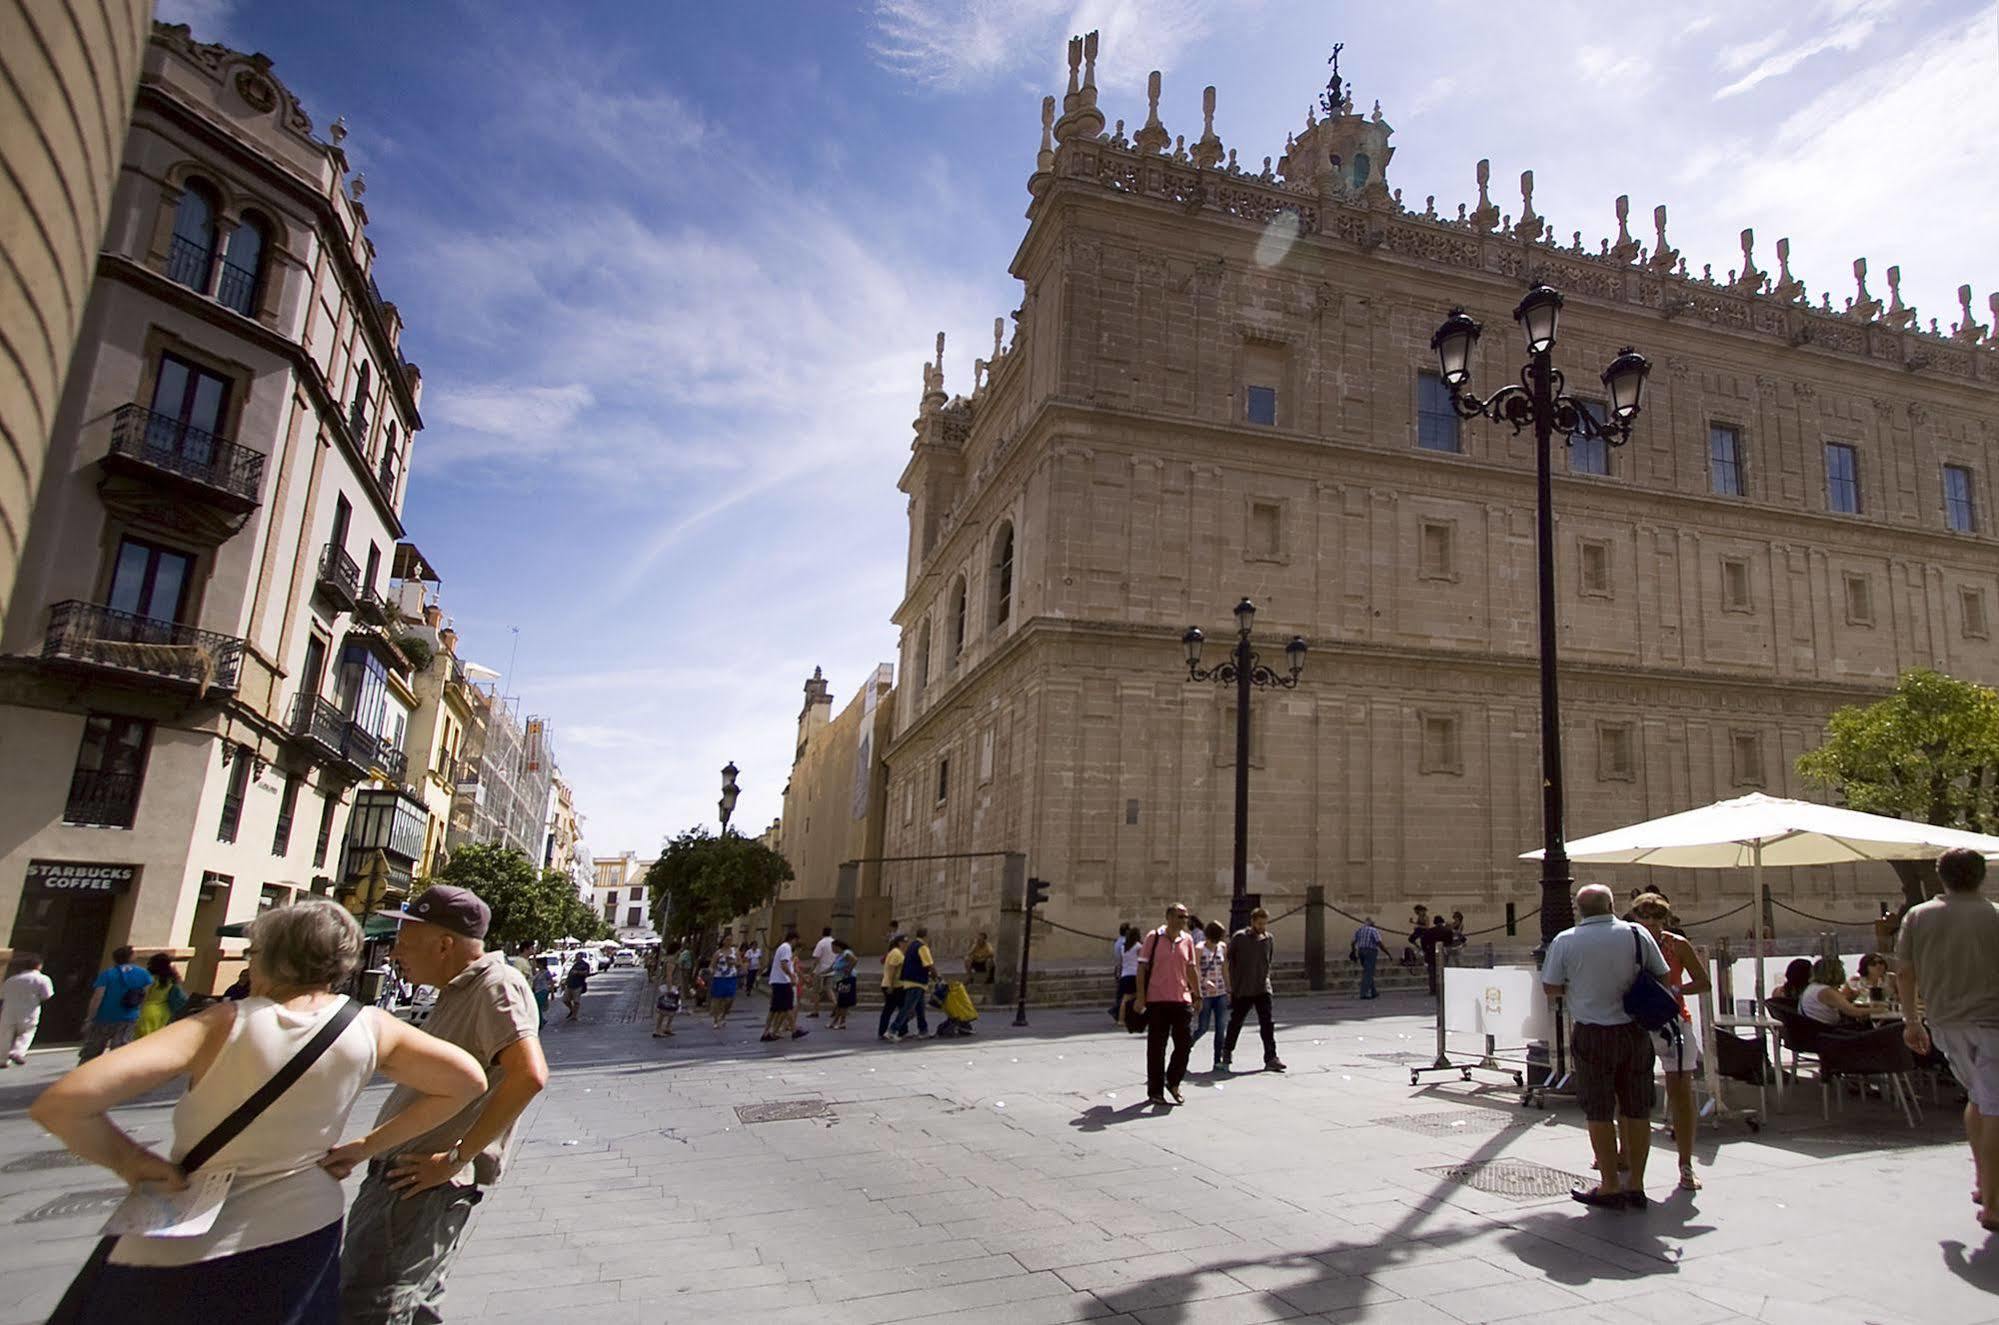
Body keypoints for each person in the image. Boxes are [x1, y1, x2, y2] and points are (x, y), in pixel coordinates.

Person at [30, 899, 484, 1325]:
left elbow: (64, 1102)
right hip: (303, 1228)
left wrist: (131, 1161)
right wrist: (366, 1147)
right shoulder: (370, 1027)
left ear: (266, 956)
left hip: (179, 1236)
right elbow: (467, 1082)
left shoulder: (223, 1023)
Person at [337, 884, 549, 1324]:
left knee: (374, 1306)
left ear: (445, 944)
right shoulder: (461, 989)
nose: (396, 953)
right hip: (411, 1181)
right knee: (409, 1305)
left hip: (420, 1187)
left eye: (405, 941)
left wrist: (455, 1158)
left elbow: (529, 1075)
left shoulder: (497, 987)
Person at [1541, 883, 1669, 1210]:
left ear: (1579, 909)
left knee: (1598, 1109)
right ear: (1612, 904)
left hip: (1593, 1033)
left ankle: (1610, 1184)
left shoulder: (1566, 940)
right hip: (1634, 1031)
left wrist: (1581, 986)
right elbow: (1663, 977)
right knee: (1637, 1107)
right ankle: (1636, 1185)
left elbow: (1551, 987)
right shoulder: (1638, 934)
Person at [1899, 847, 1999, 1233]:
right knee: (1994, 1108)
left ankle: (1981, 1182)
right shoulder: (1994, 915)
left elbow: (1905, 973)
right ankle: (1994, 1203)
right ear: (1981, 876)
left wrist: (1912, 1021)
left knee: (1980, 1098)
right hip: (1992, 1021)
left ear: (1942, 877)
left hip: (1945, 1023)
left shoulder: (1919, 916)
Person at [1630, 892, 1711, 1191]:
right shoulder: (1630, 944)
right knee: (1627, 1088)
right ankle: (1623, 1152)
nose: (1650, 921)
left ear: (1665, 918)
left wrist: (1677, 988)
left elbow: (1703, 981)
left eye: (1656, 916)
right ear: (1636, 917)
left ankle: (1686, 1164)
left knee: (1681, 1092)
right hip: (1638, 1022)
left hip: (1674, 1021)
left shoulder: (1677, 945)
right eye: (1644, 915)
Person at [1133, 903, 1200, 1106]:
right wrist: (1141, 997)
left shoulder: (1187, 940)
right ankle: (1155, 1091)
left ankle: (1173, 1082)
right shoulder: (1153, 938)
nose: (1184, 920)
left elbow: (1191, 969)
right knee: (1156, 1048)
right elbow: (1142, 968)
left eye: (1185, 917)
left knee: (1184, 1045)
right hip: (1157, 1000)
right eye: (1180, 916)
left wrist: (1198, 994)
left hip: (1181, 1000)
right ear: (1169, 917)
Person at [1222, 907, 1286, 1073]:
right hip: (1243, 988)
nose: (1262, 927)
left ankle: (1271, 1057)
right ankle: (1227, 1051)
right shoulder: (1239, 938)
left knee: (1267, 1023)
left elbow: (1268, 960)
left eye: (1264, 923)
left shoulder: (1268, 939)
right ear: (1252, 922)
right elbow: (1227, 960)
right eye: (1259, 923)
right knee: (1236, 1022)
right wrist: (1230, 985)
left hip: (1262, 987)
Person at [78, 946, 152, 1063]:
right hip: (128, 1017)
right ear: (132, 957)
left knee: (91, 1052)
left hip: (104, 1017)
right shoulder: (143, 974)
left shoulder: (108, 974)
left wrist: (90, 1018)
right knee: (119, 1053)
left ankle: (82, 1076)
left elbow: (97, 997)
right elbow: (147, 995)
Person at [1188, 921, 1229, 1073]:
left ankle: (1218, 1060)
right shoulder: (1199, 949)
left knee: (1220, 1028)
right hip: (1205, 994)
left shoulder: (1222, 947)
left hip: (1220, 993)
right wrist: (1205, 982)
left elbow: (1225, 969)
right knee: (1203, 1027)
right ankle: (1186, 1047)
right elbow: (1195, 969)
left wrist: (1228, 988)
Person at [2, 953, 55, 1066]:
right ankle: (17, 1052)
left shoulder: (11, 979)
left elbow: (4, 995)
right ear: (39, 966)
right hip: (29, 1010)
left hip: (8, 1010)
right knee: (27, 1032)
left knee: (5, 1034)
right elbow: (47, 995)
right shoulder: (43, 979)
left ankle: (2, 1060)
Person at [890, 927, 936, 1041]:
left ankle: (923, 1030)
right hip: (917, 982)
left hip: (911, 981)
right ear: (926, 936)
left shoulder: (911, 946)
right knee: (907, 1008)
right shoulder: (922, 947)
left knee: (920, 1008)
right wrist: (937, 976)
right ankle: (892, 1031)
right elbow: (929, 964)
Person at [761, 928, 807, 1043]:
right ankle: (794, 1030)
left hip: (777, 981)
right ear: (794, 939)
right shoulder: (786, 948)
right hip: (782, 982)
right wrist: (791, 976)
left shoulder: (782, 947)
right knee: (787, 1006)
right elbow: (784, 964)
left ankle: (766, 1033)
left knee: (775, 1009)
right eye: (797, 940)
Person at [1798, 957, 1867, 1027]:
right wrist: (1878, 1010)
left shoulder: (1813, 987)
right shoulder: (1825, 991)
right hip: (1829, 1033)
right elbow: (1854, 1012)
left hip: (1818, 1031)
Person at [134, 954, 188, 1038]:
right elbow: (181, 999)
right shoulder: (171, 981)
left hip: (144, 1011)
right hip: (162, 1014)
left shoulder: (148, 978)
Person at [709, 930, 741, 1029]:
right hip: (720, 977)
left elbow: (740, 963)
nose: (729, 942)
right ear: (723, 941)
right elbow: (712, 965)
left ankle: (723, 1015)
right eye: (727, 940)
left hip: (731, 977)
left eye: (731, 940)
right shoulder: (718, 953)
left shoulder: (735, 952)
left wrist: (734, 963)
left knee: (729, 999)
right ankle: (716, 1019)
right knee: (717, 999)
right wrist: (712, 971)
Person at [1112, 923, 1142, 1026]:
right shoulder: (1138, 946)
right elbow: (1142, 961)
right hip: (1135, 975)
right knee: (1139, 996)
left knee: (1125, 999)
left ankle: (1121, 1019)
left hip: (1125, 975)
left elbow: (1120, 962)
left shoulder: (1123, 947)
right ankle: (1139, 1018)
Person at [878, 936, 906, 1040]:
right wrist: (890, 985)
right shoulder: (896, 953)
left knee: (898, 1008)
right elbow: (892, 970)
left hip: (895, 985)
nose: (905, 944)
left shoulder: (895, 952)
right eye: (904, 942)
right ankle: (891, 1031)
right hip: (894, 986)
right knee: (899, 1009)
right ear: (899, 943)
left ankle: (900, 1030)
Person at [1417, 917, 1454, 995]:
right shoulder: (1447, 931)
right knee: (1442, 971)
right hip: (1443, 952)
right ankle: (1443, 989)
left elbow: (1423, 942)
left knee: (1432, 973)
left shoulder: (1429, 931)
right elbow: (1450, 942)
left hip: (1431, 953)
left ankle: (1433, 989)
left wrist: (1426, 950)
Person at [826, 940, 858, 1030]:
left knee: (843, 1002)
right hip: (840, 980)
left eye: (833, 947)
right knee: (841, 1002)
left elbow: (854, 960)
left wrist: (849, 970)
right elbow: (832, 968)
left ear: (837, 946)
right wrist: (819, 974)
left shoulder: (846, 953)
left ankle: (841, 1022)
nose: (832, 949)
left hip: (846, 979)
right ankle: (836, 1021)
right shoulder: (839, 956)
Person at [1352, 918, 1383, 1000]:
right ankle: (1364, 993)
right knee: (1368, 973)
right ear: (1372, 924)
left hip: (1361, 951)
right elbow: (1379, 942)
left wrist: (1353, 952)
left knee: (1367, 971)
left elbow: (1353, 942)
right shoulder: (1373, 930)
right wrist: (1387, 953)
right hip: (1370, 951)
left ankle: (1373, 991)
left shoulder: (1360, 930)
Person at [808, 927, 835, 1018]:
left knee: (816, 991)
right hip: (831, 970)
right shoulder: (834, 942)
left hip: (820, 970)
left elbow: (816, 958)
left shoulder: (821, 943)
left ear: (822, 933)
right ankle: (836, 1006)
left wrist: (811, 971)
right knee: (829, 989)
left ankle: (815, 1011)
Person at [561, 953, 590, 1021]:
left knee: (576, 1001)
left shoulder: (585, 964)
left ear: (581, 957)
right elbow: (570, 974)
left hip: (578, 985)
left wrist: (578, 972)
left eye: (578, 957)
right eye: (576, 957)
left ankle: (574, 1016)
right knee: (565, 1000)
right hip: (570, 985)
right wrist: (565, 982)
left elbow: (586, 973)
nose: (576, 958)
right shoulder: (575, 964)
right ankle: (572, 1010)